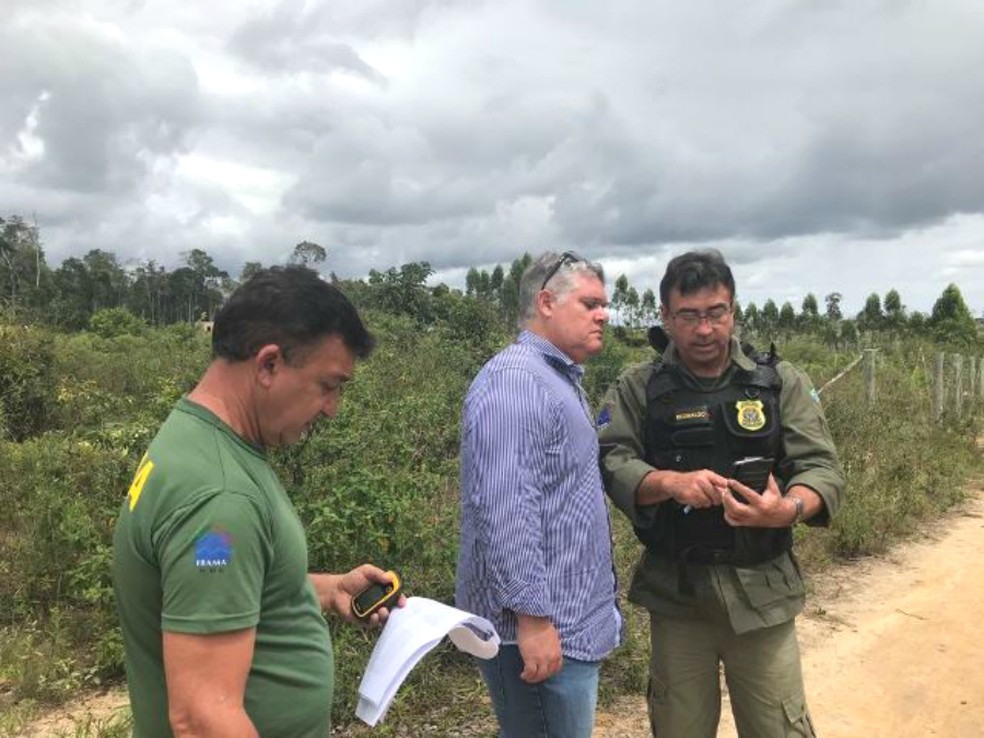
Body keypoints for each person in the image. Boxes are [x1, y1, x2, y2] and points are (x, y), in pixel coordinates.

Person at [112, 266, 403, 738]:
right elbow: (203, 718)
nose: (333, 408)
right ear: (268, 364)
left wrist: (328, 590)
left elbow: (220, 585)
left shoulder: (198, 442)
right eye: (328, 386)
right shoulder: (219, 501)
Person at [598, 249, 845, 738]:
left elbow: (822, 468)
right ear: (666, 317)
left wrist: (787, 508)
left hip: (763, 592)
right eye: (689, 316)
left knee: (780, 728)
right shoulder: (639, 388)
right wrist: (666, 482)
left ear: (733, 311)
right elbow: (611, 458)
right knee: (678, 728)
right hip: (679, 594)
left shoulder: (777, 382)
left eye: (716, 313)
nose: (705, 329)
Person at [455, 251, 622, 738]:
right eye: (590, 303)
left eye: (604, 305)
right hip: (538, 634)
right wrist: (533, 621)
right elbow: (507, 510)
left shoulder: (555, 377)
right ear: (546, 302)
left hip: (562, 627)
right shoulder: (518, 383)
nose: (604, 315)